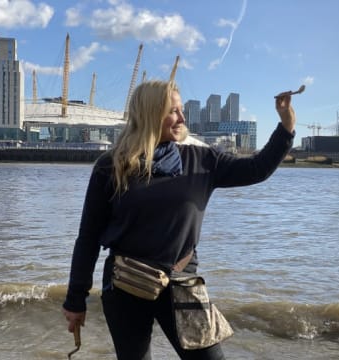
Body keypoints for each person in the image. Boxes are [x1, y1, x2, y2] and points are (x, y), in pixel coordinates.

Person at [62, 64, 296, 360]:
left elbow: (257, 168)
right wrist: (75, 300)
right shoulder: (111, 167)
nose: (182, 118)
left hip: (182, 283)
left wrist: (286, 124)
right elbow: (88, 238)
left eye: (181, 110)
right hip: (125, 286)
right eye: (173, 111)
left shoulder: (202, 160)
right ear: (150, 113)